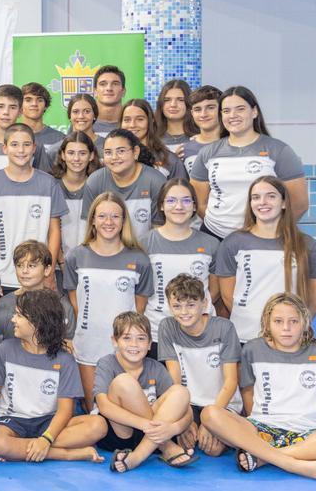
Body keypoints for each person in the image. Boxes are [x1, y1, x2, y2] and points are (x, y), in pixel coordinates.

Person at [201, 293, 316, 483]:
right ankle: (300, 466)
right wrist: (253, 426)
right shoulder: (252, 349)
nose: (286, 328)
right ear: (267, 323)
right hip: (262, 430)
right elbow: (248, 393)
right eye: (278, 321)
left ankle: (262, 459)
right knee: (210, 413)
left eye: (293, 321)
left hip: (308, 434)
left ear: (305, 322)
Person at [0, 288, 107, 462]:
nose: (13, 320)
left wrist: (46, 438)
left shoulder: (65, 360)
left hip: (50, 422)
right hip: (12, 421)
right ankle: (65, 454)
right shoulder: (5, 350)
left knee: (98, 426)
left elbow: (65, 411)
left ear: (37, 322)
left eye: (19, 315)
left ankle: (18, 448)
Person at [65, 192, 153, 409]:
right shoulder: (76, 256)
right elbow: (75, 300)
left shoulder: (139, 259)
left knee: (125, 407)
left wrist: (126, 335)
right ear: (93, 220)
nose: (109, 222)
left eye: (115, 216)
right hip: (88, 342)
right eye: (102, 216)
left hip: (125, 345)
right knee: (92, 408)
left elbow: (139, 305)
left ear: (124, 221)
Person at [215, 176, 316, 343]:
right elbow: (227, 295)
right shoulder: (233, 243)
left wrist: (295, 324)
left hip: (289, 340)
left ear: (283, 203)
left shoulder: (306, 245)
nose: (263, 202)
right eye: (256, 197)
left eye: (271, 196)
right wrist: (250, 320)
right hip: (246, 336)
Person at [190, 86, 308, 239]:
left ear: (254, 112)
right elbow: (199, 202)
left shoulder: (278, 150)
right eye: (226, 111)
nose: (233, 115)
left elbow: (299, 204)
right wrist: (220, 226)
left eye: (240, 109)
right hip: (215, 235)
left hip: (263, 236)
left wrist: (269, 231)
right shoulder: (208, 153)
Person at [94, 312, 196, 472]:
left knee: (181, 391)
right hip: (121, 434)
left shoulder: (156, 368)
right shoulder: (106, 363)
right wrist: (148, 426)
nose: (134, 344)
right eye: (127, 338)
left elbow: (186, 410)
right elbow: (104, 406)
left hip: (150, 437)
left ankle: (136, 457)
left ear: (149, 344)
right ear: (114, 341)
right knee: (124, 381)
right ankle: (166, 446)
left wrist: (174, 429)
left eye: (141, 338)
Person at [0, 123, 67, 293]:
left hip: (38, 278)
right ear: (5, 148)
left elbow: (54, 231)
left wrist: (49, 270)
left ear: (34, 148)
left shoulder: (49, 184)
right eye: (14, 145)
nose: (21, 150)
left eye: (26, 144)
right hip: (3, 277)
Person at [158, 274, 241, 457]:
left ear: (204, 304)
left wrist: (208, 422)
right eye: (177, 306)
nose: (184, 312)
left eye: (191, 305)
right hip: (190, 403)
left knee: (214, 450)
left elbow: (230, 382)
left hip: (221, 403)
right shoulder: (167, 327)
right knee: (181, 436)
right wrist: (185, 418)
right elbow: (174, 380)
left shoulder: (225, 328)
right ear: (169, 306)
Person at [141, 179, 219, 343]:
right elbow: (139, 293)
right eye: (171, 200)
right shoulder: (144, 243)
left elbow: (214, 291)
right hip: (157, 332)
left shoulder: (211, 244)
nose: (179, 207)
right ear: (161, 205)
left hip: (201, 332)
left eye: (185, 200)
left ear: (194, 206)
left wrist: (191, 315)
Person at [81, 129, 166, 241]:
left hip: (146, 252)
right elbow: (89, 229)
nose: (114, 157)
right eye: (108, 152)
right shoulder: (95, 181)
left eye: (120, 151)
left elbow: (160, 230)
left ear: (135, 152)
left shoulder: (156, 181)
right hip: (107, 251)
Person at [50, 131, 101, 273]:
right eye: (71, 153)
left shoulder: (98, 186)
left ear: (91, 156)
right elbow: (49, 229)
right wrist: (61, 262)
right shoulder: (51, 185)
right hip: (58, 267)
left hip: (92, 265)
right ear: (63, 155)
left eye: (82, 153)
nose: (76, 158)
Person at [120, 98, 187, 180]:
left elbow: (182, 191)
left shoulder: (169, 160)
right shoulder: (114, 158)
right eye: (127, 120)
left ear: (151, 121)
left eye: (140, 119)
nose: (132, 125)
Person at [182, 85, 222, 177]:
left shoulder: (233, 144)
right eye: (197, 109)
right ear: (192, 113)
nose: (203, 114)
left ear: (221, 110)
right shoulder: (185, 150)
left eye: (210, 107)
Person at [20, 82, 65, 162]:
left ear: (45, 106)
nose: (34, 104)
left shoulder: (60, 139)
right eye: (28, 100)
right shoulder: (10, 136)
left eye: (39, 100)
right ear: (20, 105)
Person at [155, 78, 194, 153]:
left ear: (189, 103)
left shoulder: (199, 137)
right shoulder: (152, 137)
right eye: (167, 100)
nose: (173, 105)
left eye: (180, 100)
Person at [92, 65, 126, 134]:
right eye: (103, 84)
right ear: (95, 91)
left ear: (123, 91)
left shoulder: (133, 125)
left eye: (115, 84)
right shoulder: (84, 124)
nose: (109, 88)